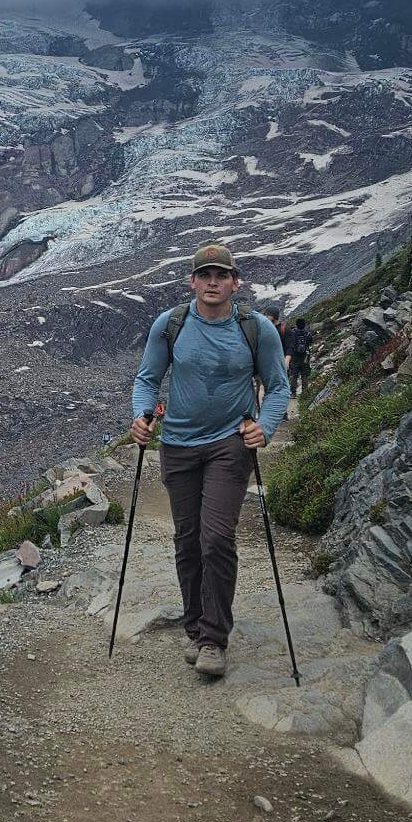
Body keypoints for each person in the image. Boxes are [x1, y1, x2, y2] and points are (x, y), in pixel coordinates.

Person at [129, 243, 291, 679]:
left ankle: (214, 640)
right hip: (179, 444)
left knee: (216, 537)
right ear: (193, 282)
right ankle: (196, 626)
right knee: (187, 539)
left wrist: (266, 427)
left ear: (235, 282)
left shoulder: (256, 329)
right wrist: (141, 417)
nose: (213, 283)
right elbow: (148, 378)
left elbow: (278, 386)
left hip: (229, 443)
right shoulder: (171, 324)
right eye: (205, 275)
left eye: (222, 275)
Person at [286, 317, 312, 395]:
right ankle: (305, 393)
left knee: (294, 375)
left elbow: (290, 343)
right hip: (305, 357)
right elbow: (310, 342)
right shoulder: (307, 333)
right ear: (304, 324)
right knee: (304, 375)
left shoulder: (293, 332)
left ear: (296, 324)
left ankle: (293, 392)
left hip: (295, 356)